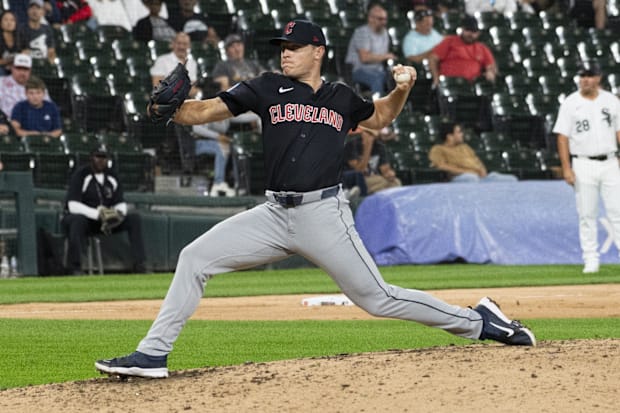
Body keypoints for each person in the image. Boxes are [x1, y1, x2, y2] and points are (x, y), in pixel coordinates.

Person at [94, 19, 535, 379]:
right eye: (283, 46)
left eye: (295, 46)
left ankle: (479, 321)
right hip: (271, 214)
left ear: (318, 51)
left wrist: (402, 88)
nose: (285, 52)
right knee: (194, 257)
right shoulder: (265, 86)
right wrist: (166, 109)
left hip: (323, 214)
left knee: (377, 298)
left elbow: (379, 118)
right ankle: (152, 354)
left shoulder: (341, 97)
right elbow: (202, 110)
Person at [553, 60, 620, 274]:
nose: (586, 80)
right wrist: (566, 167)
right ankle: (591, 259)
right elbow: (562, 137)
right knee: (587, 213)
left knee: (617, 211)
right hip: (582, 162)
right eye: (582, 76)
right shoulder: (570, 103)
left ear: (599, 78)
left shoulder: (611, 100)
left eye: (590, 76)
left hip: (610, 161)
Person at [61, 144, 146, 275]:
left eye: (104, 158)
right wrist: (97, 214)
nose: (101, 161)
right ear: (91, 158)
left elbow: (120, 203)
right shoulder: (81, 175)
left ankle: (140, 264)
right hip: (84, 220)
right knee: (77, 221)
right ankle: (75, 267)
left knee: (134, 219)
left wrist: (116, 215)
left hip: (105, 222)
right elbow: (73, 205)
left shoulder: (112, 176)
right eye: (98, 157)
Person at [429, 121, 518, 183]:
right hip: (460, 178)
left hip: (480, 177)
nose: (462, 135)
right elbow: (441, 166)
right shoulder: (438, 149)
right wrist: (467, 172)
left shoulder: (465, 147)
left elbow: (477, 162)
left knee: (511, 179)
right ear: (449, 136)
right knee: (471, 178)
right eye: (459, 132)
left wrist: (482, 171)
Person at [428, 15, 497, 87]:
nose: (471, 34)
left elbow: (491, 66)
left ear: (478, 33)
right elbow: (433, 59)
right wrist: (436, 78)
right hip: (450, 84)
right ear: (462, 30)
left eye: (474, 32)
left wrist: (490, 72)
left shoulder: (482, 48)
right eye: (468, 30)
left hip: (473, 86)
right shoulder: (450, 41)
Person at [345, 3, 396, 96]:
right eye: (380, 19)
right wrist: (386, 56)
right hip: (358, 70)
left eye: (385, 19)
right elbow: (364, 58)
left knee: (398, 77)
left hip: (379, 70)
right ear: (370, 18)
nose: (384, 22)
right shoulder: (361, 32)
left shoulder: (384, 33)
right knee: (377, 78)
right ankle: (377, 109)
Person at [344, 126, 402, 194]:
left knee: (396, 182)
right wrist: (367, 147)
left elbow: (385, 169)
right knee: (382, 182)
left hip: (375, 179)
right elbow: (358, 171)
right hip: (357, 180)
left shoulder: (379, 146)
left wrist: (389, 174)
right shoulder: (352, 144)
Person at [150, 32, 200, 98]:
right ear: (173, 44)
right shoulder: (162, 61)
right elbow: (157, 86)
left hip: (186, 101)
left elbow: (192, 88)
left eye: (185, 44)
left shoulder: (192, 63)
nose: (181, 47)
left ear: (189, 46)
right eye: (179, 43)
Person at [0, 54, 50, 118]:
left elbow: (49, 108)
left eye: (25, 69)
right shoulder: (1, 82)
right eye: (19, 68)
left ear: (30, 70)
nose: (22, 73)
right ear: (12, 68)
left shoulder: (38, 85)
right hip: (7, 123)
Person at [0, 10, 21, 76]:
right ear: (0, 23)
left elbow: (26, 52)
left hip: (18, 66)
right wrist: (8, 61)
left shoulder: (21, 36)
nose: (9, 23)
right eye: (6, 20)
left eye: (12, 20)